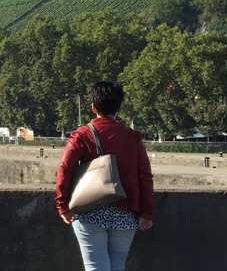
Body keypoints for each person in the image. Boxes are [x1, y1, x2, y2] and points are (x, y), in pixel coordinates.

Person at [54, 81, 154, 271]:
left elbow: (64, 169)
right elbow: (145, 176)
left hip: (88, 211)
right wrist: (147, 212)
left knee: (95, 267)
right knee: (117, 267)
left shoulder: (82, 135)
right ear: (118, 107)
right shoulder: (132, 137)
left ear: (93, 107)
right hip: (125, 212)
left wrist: (62, 205)